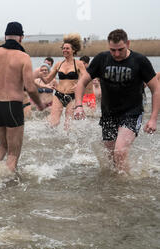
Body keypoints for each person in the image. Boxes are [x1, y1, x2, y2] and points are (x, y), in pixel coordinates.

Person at [74, 29, 159, 174]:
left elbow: (156, 90)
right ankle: (114, 188)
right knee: (110, 157)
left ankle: (124, 188)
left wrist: (153, 118)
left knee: (120, 152)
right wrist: (78, 106)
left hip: (132, 112)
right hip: (108, 113)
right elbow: (81, 83)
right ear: (108, 46)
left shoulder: (140, 61)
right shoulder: (102, 59)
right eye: (113, 50)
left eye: (120, 49)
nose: (117, 54)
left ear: (128, 43)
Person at [0, 22, 45, 172]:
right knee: (13, 153)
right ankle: (8, 187)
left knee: (2, 146)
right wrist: (40, 104)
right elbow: (30, 87)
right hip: (13, 106)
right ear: (21, 37)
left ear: (5, 36)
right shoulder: (24, 57)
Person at [39, 33, 87, 129]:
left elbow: (86, 77)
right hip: (59, 95)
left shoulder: (79, 64)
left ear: (73, 50)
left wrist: (78, 83)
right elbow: (47, 79)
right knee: (54, 123)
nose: (64, 50)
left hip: (72, 96)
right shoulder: (58, 64)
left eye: (67, 48)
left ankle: (68, 143)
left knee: (68, 126)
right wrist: (40, 75)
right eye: (63, 48)